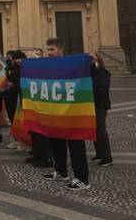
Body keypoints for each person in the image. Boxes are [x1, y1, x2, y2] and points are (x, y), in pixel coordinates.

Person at [43, 37, 90, 191]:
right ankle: (61, 170)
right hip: (55, 110)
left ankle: (82, 178)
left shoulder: (73, 64)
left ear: (60, 50)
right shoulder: (47, 65)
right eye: (48, 50)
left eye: (52, 49)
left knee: (75, 143)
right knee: (55, 140)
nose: (49, 53)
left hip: (72, 110)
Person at [91, 53, 113, 167]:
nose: (92, 61)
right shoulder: (92, 73)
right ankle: (99, 153)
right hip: (93, 105)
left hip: (101, 105)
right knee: (94, 130)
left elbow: (103, 90)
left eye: (93, 59)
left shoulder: (103, 73)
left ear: (99, 60)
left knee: (100, 129)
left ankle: (107, 158)